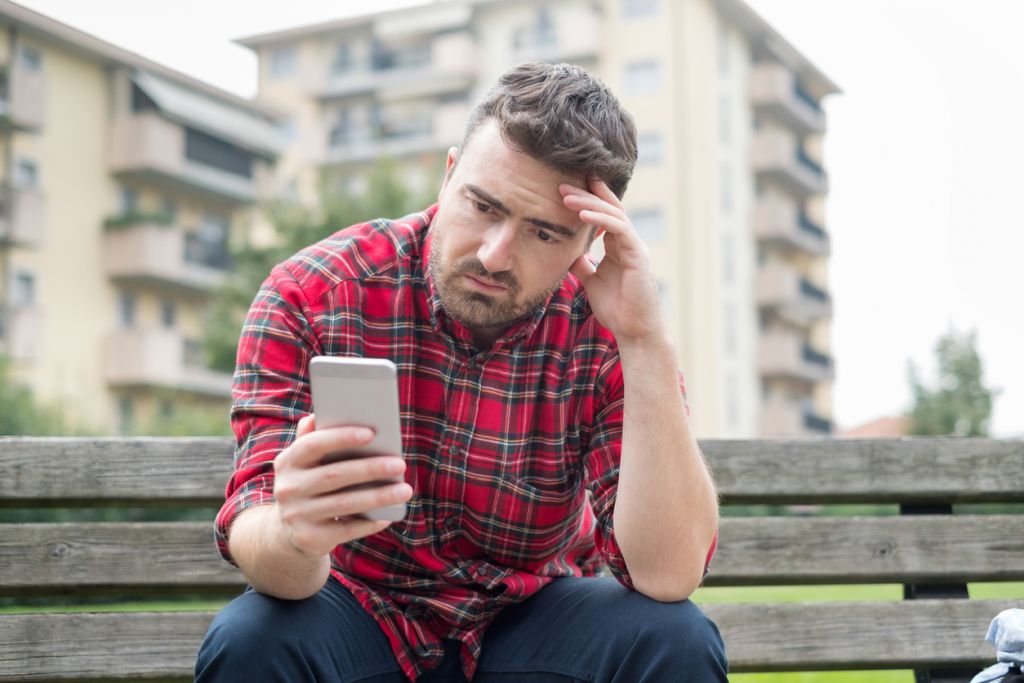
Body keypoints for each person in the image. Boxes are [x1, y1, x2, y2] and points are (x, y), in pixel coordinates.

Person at [195, 61, 726, 682]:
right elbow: (257, 531)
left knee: (675, 637)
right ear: (448, 176)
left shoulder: (609, 326)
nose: (495, 254)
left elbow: (668, 575)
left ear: (588, 243)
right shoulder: (312, 294)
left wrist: (644, 340)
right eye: (482, 205)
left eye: (545, 234)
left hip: (530, 622)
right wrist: (294, 531)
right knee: (252, 637)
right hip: (357, 610)